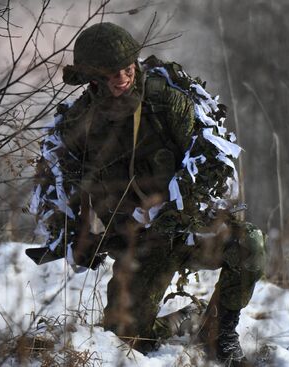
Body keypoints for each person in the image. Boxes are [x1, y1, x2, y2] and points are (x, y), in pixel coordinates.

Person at [29, 22, 266, 366]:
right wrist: (78, 237)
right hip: (139, 244)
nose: (122, 78)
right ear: (93, 79)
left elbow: (210, 159)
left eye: (127, 68)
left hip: (185, 228)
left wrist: (176, 212)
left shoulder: (165, 101)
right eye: (111, 74)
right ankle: (188, 319)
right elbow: (60, 187)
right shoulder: (80, 123)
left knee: (250, 242)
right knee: (125, 340)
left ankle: (222, 334)